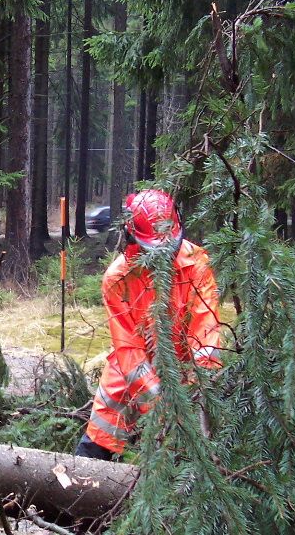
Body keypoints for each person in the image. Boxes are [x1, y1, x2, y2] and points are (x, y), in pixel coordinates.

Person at [75, 189, 223, 460]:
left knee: (187, 445)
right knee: (103, 428)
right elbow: (129, 348)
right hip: (133, 364)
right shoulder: (118, 278)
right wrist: (158, 403)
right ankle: (79, 484)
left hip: (184, 364)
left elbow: (206, 334)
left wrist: (196, 387)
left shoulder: (197, 264)